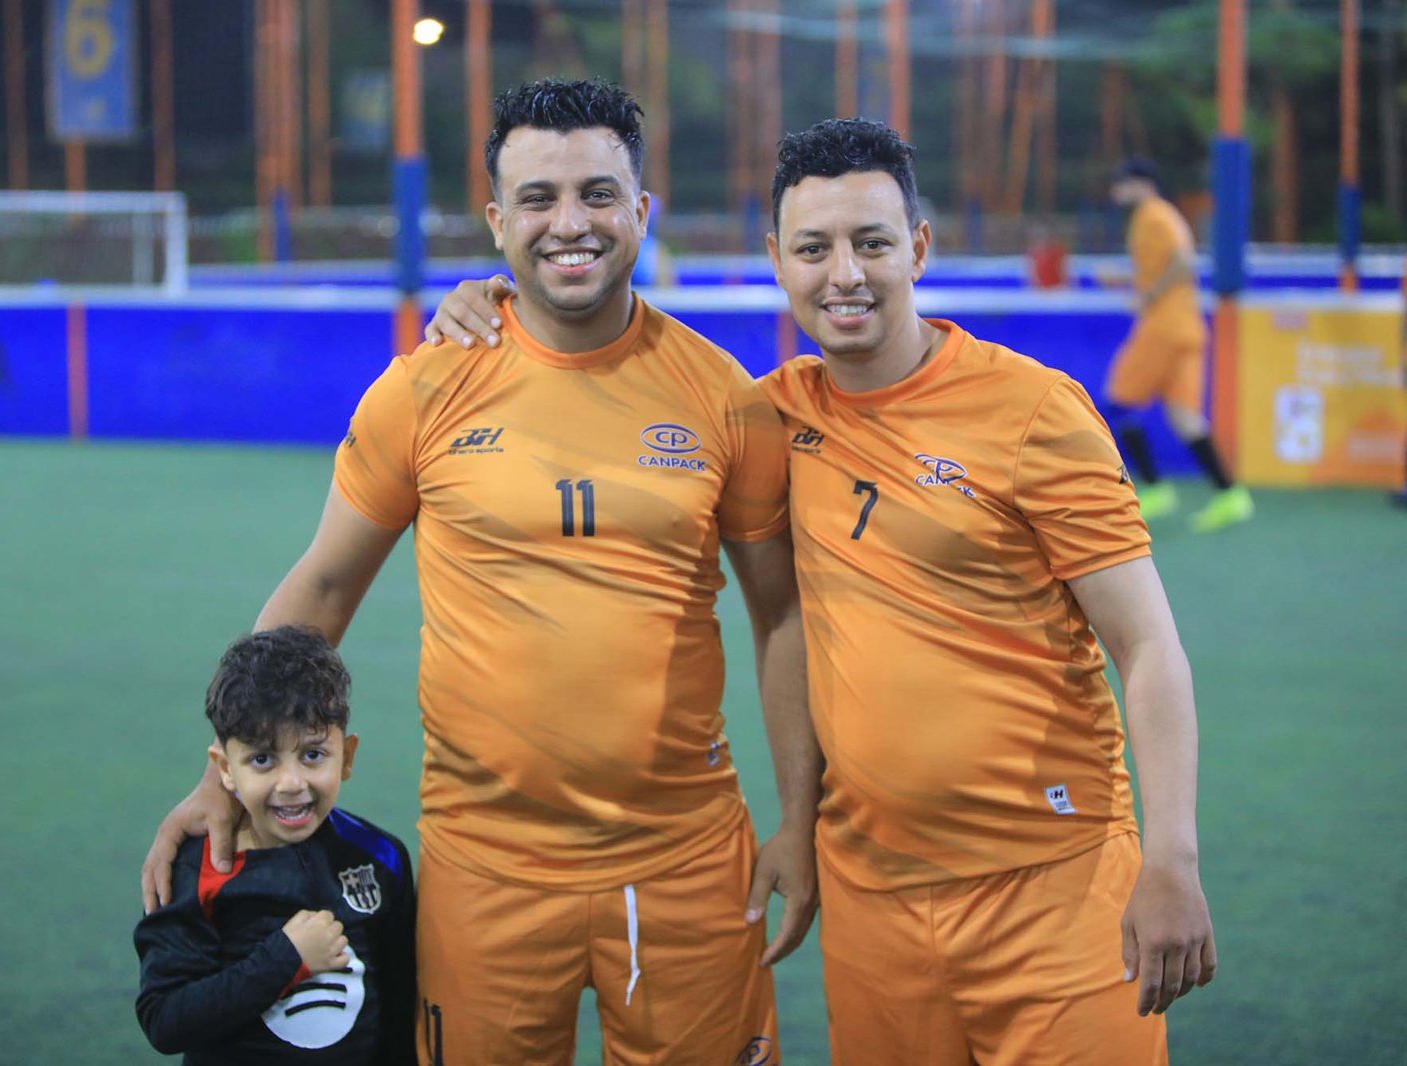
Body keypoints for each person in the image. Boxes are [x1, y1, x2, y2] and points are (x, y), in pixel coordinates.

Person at [428, 118, 1219, 1065]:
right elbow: (610, 373)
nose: (844, 274)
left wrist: (1172, 857)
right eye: (813, 249)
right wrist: (493, 300)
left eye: (871, 243)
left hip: (1054, 881)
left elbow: (1147, 646)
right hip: (871, 901)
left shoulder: (1036, 412)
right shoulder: (769, 417)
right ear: (778, 260)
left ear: (917, 248)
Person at [143, 78, 818, 1066]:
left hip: (683, 860)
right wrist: (221, 773)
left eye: (597, 193)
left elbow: (782, 617)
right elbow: (324, 588)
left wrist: (800, 817)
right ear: (498, 222)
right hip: (485, 866)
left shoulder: (724, 397)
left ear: (642, 210)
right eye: (538, 198)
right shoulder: (424, 388)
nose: (569, 223)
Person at [135, 625, 415, 1064]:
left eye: (312, 754)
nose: (291, 783)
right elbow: (166, 1020)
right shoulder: (198, 868)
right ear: (225, 769)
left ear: (347, 756)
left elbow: (401, 1006)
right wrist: (286, 958)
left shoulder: (381, 857)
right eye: (262, 759)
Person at [1106, 157, 1253, 532]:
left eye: (1121, 184)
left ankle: (1155, 489)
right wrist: (1130, 282)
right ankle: (1231, 495)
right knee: (1185, 417)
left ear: (1140, 183)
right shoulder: (1158, 216)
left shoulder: (1153, 215)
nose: (1116, 192)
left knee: (1118, 403)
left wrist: (1150, 295)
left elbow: (1183, 261)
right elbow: (1166, 265)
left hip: (1164, 328)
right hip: (1185, 328)